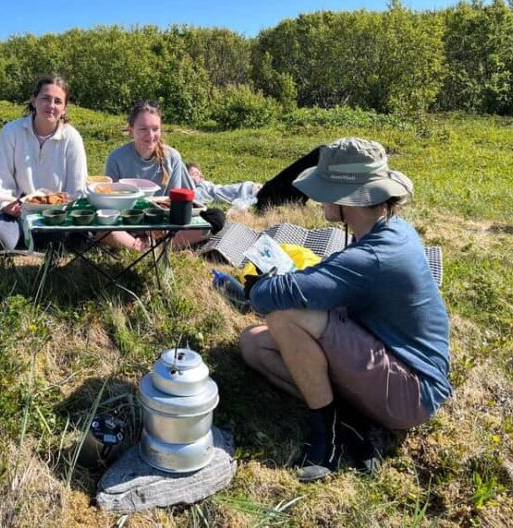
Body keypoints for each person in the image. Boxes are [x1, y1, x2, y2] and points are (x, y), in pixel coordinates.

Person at [239, 137, 451, 482]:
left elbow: (271, 298)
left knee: (284, 316)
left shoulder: (372, 256)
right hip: (388, 355)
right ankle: (353, 419)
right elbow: (329, 284)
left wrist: (256, 287)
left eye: (325, 188)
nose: (317, 196)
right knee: (253, 342)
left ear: (346, 197)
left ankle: (329, 437)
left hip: (412, 389)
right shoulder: (389, 229)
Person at [0, 76, 88, 250]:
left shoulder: (72, 138)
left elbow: (78, 188)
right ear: (34, 100)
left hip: (57, 214)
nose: (51, 106)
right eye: (45, 98)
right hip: (17, 212)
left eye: (57, 101)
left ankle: (36, 239)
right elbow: (1, 177)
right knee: (2, 241)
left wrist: (56, 208)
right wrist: (8, 204)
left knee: (69, 240)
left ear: (64, 108)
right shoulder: (12, 131)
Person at [103, 100, 204, 250]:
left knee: (213, 220)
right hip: (126, 224)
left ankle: (154, 248)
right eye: (143, 129)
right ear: (131, 129)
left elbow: (172, 204)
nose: (150, 135)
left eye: (155, 129)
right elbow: (111, 205)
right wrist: (138, 231)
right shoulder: (116, 158)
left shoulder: (172, 158)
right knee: (101, 230)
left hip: (161, 225)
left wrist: (153, 232)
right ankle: (141, 248)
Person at [187, 148, 321, 210]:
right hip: (261, 194)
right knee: (311, 161)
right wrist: (253, 196)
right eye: (194, 173)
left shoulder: (209, 186)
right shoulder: (197, 192)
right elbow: (195, 202)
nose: (199, 176)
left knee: (302, 177)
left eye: (200, 174)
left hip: (261, 189)